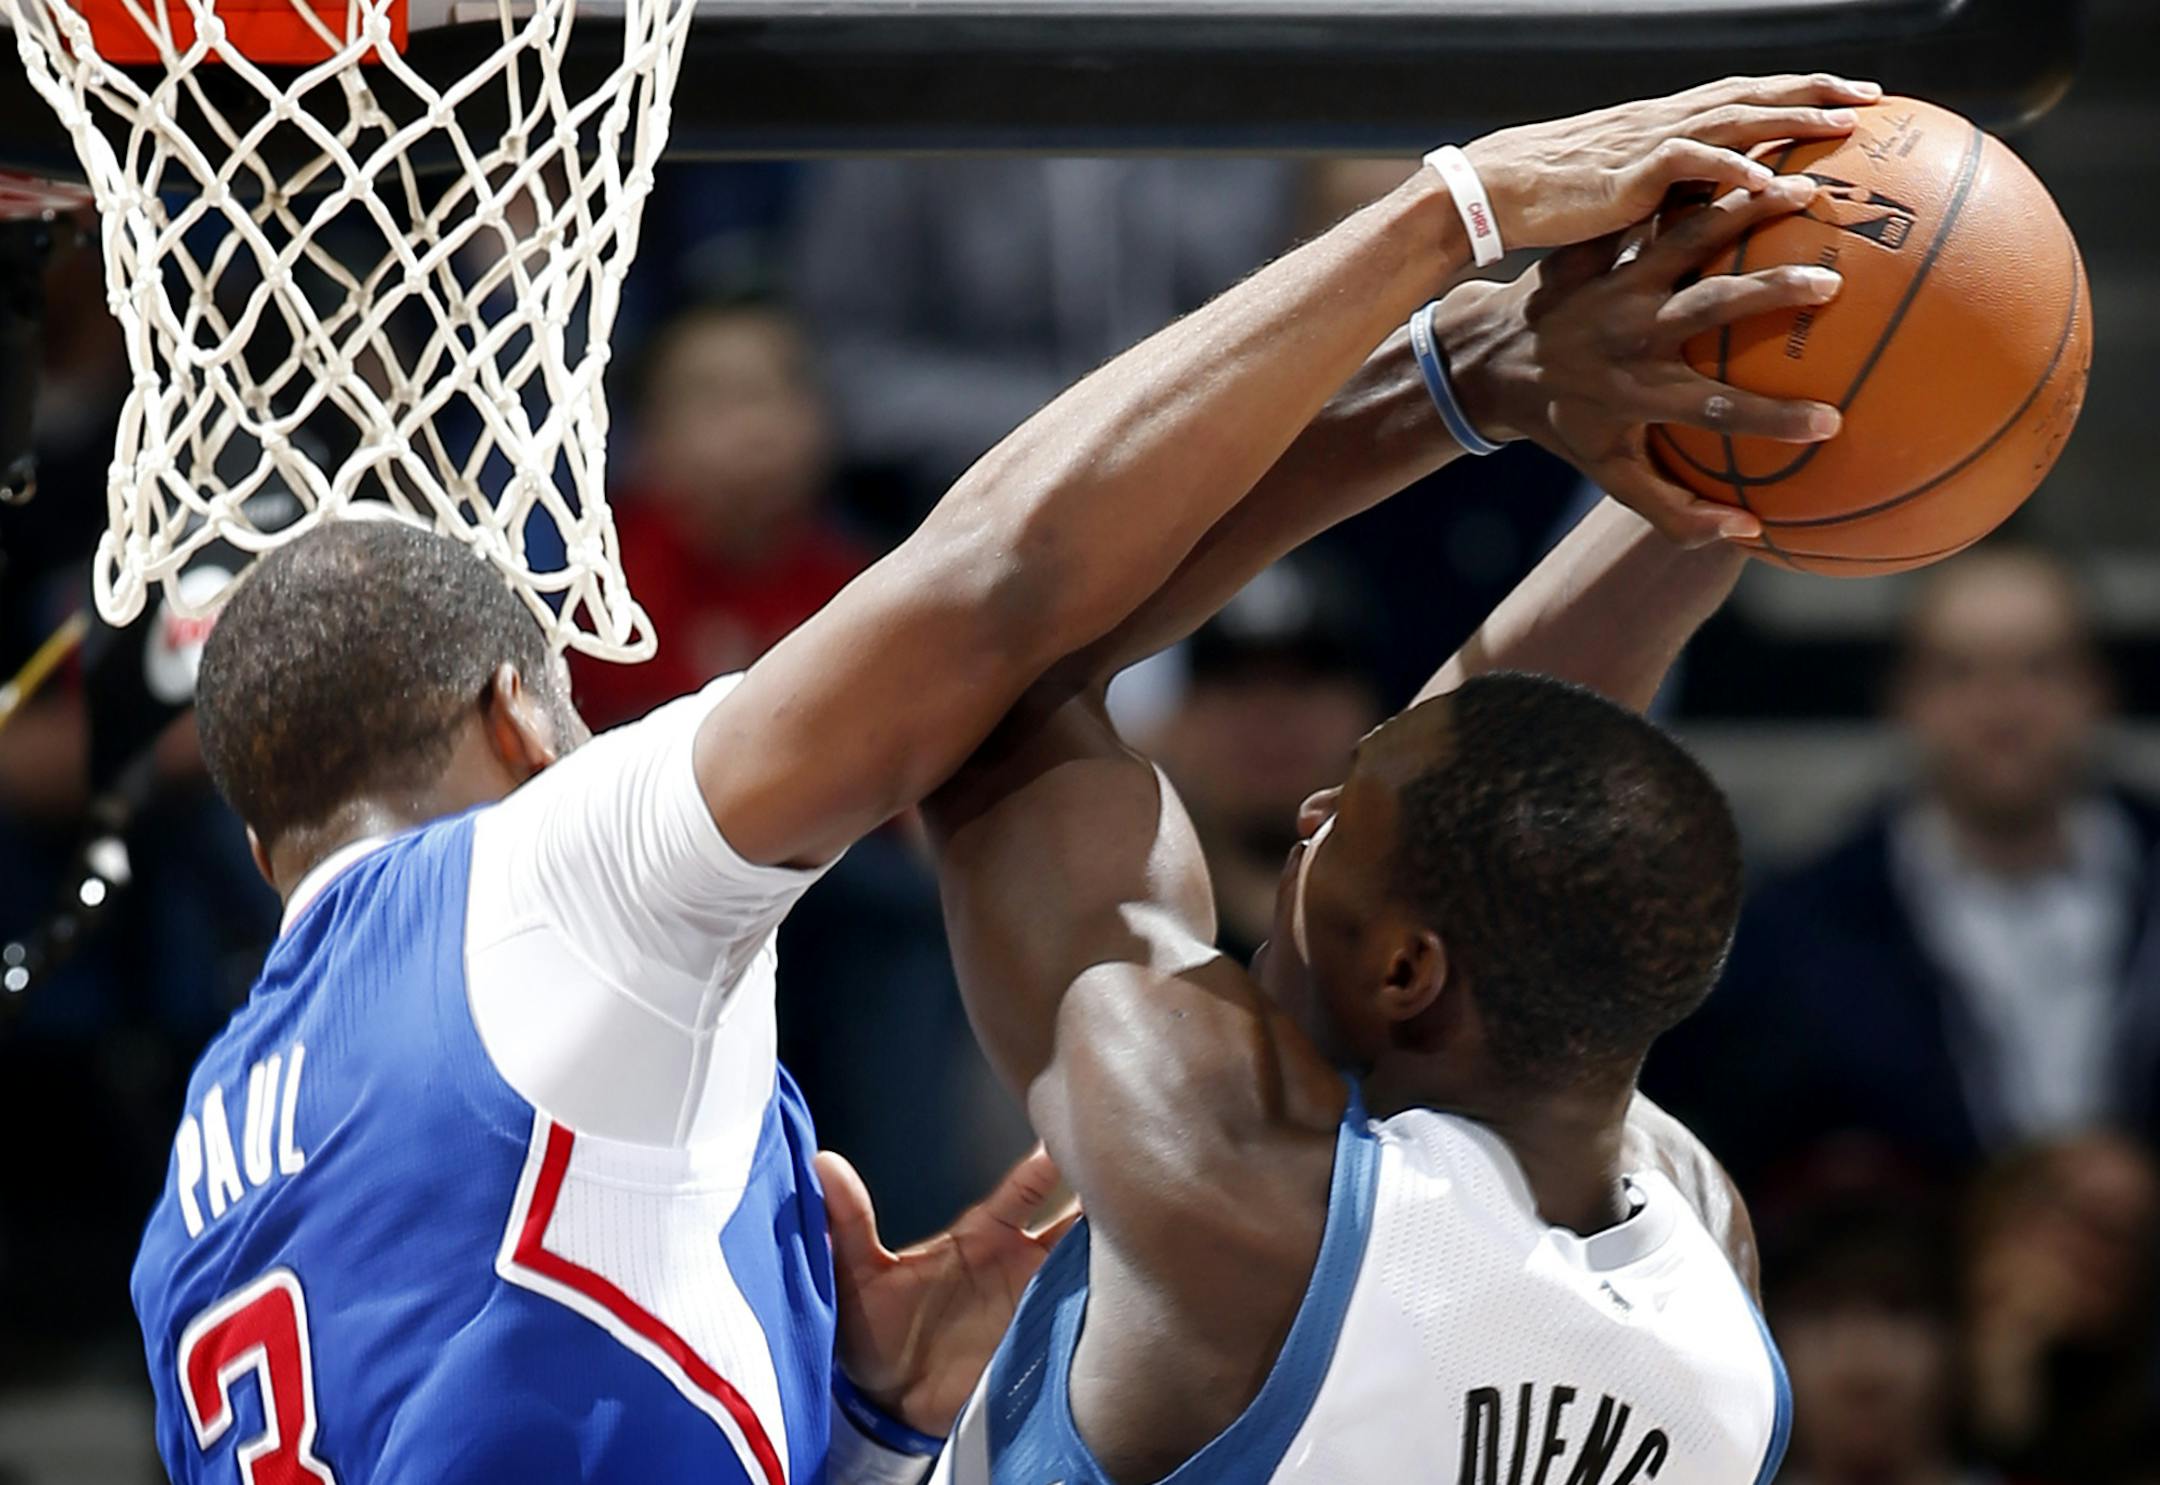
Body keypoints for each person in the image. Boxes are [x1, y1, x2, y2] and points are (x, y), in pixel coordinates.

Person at [126, 75, 1870, 1485]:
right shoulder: (1714, 1308)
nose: (1314, 798)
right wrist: (1598, 380)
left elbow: (1023, 668)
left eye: (1349, 804)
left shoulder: (200, 1206)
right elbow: (996, 609)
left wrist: (870, 1432)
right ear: (527, 719)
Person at [898, 165, 1871, 1483]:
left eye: (1335, 816)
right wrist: (1743, 454)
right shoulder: (1709, 1269)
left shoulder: (1219, 1168)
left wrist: (1459, 380)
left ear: (1409, 968)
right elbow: (1520, 782)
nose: (1305, 809)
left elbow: (988, 654)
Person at [1647, 549, 2160, 1186]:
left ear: (2098, 688)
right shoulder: (1799, 931)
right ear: (1903, 695)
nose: (2002, 709)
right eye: (1958, 672)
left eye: (2040, 668)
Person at [572, 291, 871, 729]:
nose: (755, 425)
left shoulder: (858, 586)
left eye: (775, 389)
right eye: (715, 398)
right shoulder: (600, 595)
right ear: (651, 437)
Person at [1961, 1132, 2160, 1484]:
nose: (2110, 1258)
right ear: (2011, 1214)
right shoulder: (1920, 1335)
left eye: (2138, 1236)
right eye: (2096, 1223)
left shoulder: (2140, 1412)